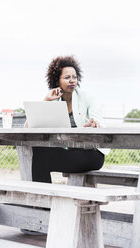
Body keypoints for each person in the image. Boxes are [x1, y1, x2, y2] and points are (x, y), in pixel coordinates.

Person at [31, 55, 107, 183]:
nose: (72, 80)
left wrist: (93, 126)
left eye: (74, 77)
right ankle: (43, 198)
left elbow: (100, 126)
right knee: (40, 150)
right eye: (67, 77)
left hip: (91, 154)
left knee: (42, 159)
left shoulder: (87, 98)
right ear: (57, 81)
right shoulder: (54, 101)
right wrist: (46, 100)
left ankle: (41, 200)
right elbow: (30, 126)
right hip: (71, 152)